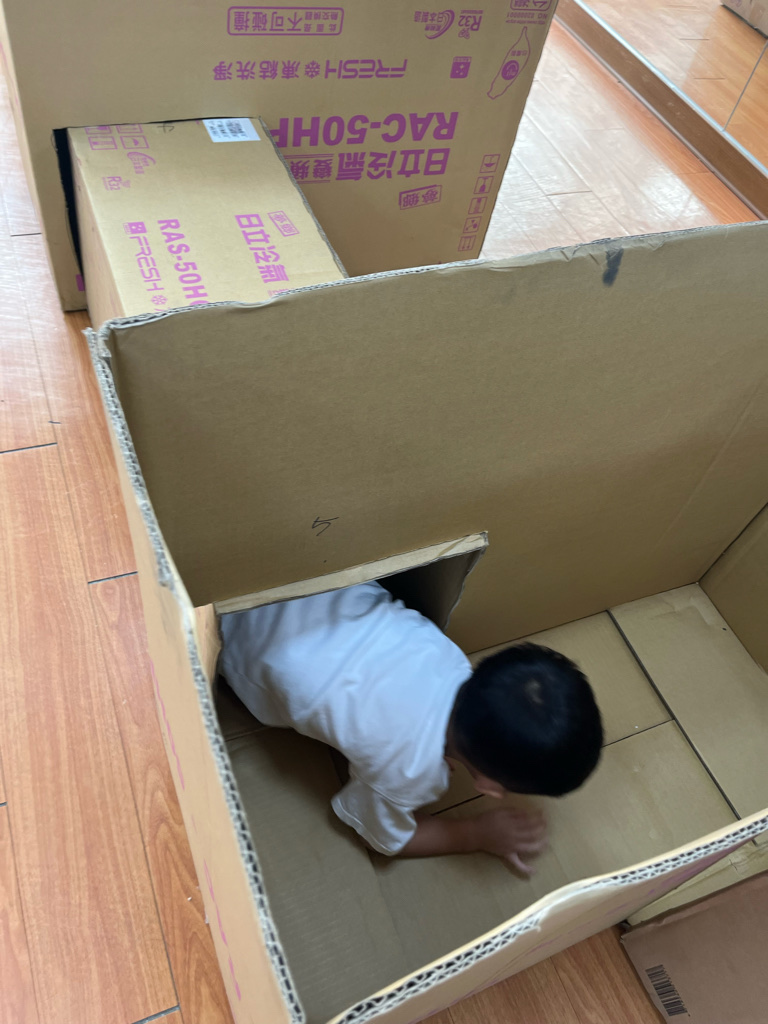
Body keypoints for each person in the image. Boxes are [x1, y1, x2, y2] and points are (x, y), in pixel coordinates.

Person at [218, 580, 603, 874]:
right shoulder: (409, 774)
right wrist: (474, 834)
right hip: (231, 644)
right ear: (488, 787)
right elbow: (385, 838)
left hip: (273, 582)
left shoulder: (445, 654)